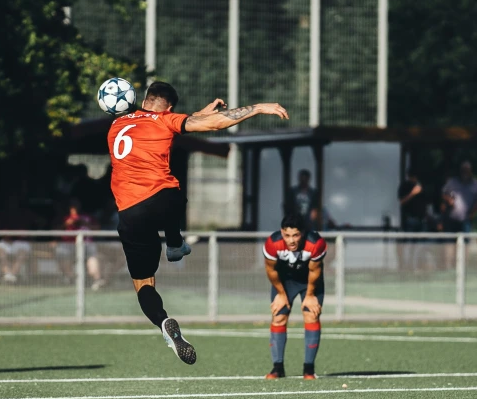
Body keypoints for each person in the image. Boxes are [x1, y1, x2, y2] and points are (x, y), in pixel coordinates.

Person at [107, 80, 288, 364]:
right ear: (169, 108)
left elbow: (180, 121)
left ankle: (164, 324)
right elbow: (210, 124)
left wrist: (201, 112)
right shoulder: (165, 121)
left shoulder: (117, 125)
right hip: (162, 199)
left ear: (145, 100)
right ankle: (176, 244)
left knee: (144, 284)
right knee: (174, 193)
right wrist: (259, 108)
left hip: (129, 212)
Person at [263, 213, 327, 380]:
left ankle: (309, 370)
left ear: (303, 233)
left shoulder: (316, 243)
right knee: (279, 316)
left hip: (310, 282)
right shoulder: (273, 243)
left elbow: (315, 271)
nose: (291, 240)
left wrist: (311, 295)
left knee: (311, 314)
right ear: (281, 232)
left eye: (296, 235)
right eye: (287, 235)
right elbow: (271, 270)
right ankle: (277, 368)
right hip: (284, 282)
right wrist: (281, 294)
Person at [55, 199, 105, 290]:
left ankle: (97, 280)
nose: (75, 209)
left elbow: (98, 228)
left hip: (86, 243)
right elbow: (56, 229)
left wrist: (85, 223)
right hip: (68, 244)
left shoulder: (87, 217)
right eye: (72, 207)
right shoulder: (64, 217)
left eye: (76, 206)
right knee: (61, 253)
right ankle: (71, 279)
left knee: (93, 257)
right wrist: (67, 224)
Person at [397, 167, 426, 270]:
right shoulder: (405, 186)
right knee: (409, 245)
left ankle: (416, 267)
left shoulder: (421, 187)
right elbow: (402, 201)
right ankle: (407, 267)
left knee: (419, 246)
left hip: (421, 220)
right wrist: (413, 193)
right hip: (410, 220)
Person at [441, 161, 477, 233]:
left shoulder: (475, 184)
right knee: (450, 241)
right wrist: (448, 199)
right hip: (452, 218)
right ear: (460, 171)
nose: (465, 172)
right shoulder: (452, 182)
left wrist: (472, 213)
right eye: (463, 170)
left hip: (466, 219)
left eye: (467, 170)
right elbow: (443, 194)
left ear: (470, 171)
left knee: (466, 242)